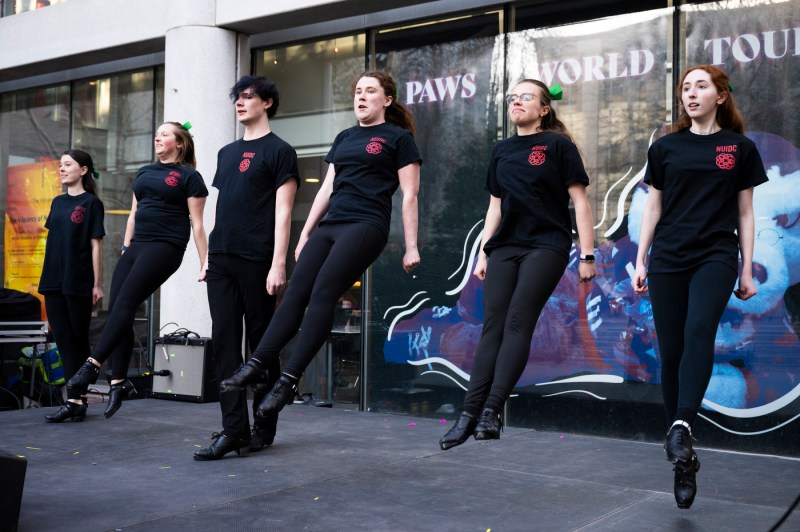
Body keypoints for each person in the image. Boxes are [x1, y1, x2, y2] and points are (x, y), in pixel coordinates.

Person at [218, 71, 421, 422]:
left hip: (366, 225)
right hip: (331, 225)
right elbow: (327, 188)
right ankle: (257, 363)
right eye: (358, 91)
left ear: (386, 100)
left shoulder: (398, 139)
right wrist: (307, 232)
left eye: (370, 91)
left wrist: (411, 246)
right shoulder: (344, 137)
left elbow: (410, 195)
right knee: (296, 293)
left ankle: (287, 382)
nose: (361, 96)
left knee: (323, 292)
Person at [632, 65, 767, 509]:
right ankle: (683, 459)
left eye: (700, 86)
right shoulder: (666, 147)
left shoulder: (739, 148)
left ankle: (681, 425)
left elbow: (745, 213)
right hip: (669, 256)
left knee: (697, 332)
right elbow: (653, 207)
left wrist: (747, 269)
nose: (691, 93)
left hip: (716, 254)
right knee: (671, 351)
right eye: (685, 88)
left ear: (720, 96)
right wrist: (640, 259)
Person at [439, 79, 596, 450]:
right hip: (505, 246)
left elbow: (581, 203)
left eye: (526, 97)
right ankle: (468, 414)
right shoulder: (501, 150)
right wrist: (483, 252)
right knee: (490, 326)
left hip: (547, 244)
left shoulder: (557, 146)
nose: (516, 102)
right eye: (512, 97)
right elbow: (495, 206)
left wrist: (587, 255)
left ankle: (492, 411)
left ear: (544, 109)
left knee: (516, 321)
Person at [66, 122, 209, 419]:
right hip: (137, 246)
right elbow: (134, 212)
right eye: (156, 133)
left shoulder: (189, 176)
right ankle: (118, 381)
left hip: (166, 246)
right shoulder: (144, 172)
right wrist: (126, 248)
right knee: (118, 307)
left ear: (179, 144)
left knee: (128, 302)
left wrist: (204, 260)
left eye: (165, 134)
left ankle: (92, 366)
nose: (157, 137)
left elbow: (197, 223)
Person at [193, 76, 300, 461]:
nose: (240, 103)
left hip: (259, 259)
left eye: (248, 97)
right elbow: (226, 208)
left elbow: (283, 212)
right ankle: (233, 431)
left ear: (267, 103)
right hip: (222, 258)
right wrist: (207, 257)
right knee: (224, 343)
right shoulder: (226, 153)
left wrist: (278, 264)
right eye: (236, 97)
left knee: (261, 345)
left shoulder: (281, 151)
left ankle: (264, 424)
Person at [42, 149, 105, 422]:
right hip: (53, 280)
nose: (62, 169)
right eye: (60, 165)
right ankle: (74, 401)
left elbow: (95, 245)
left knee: (78, 340)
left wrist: (97, 283)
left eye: (67, 164)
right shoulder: (57, 202)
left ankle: (77, 398)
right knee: (63, 340)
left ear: (83, 170)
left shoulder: (92, 203)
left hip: (78, 280)